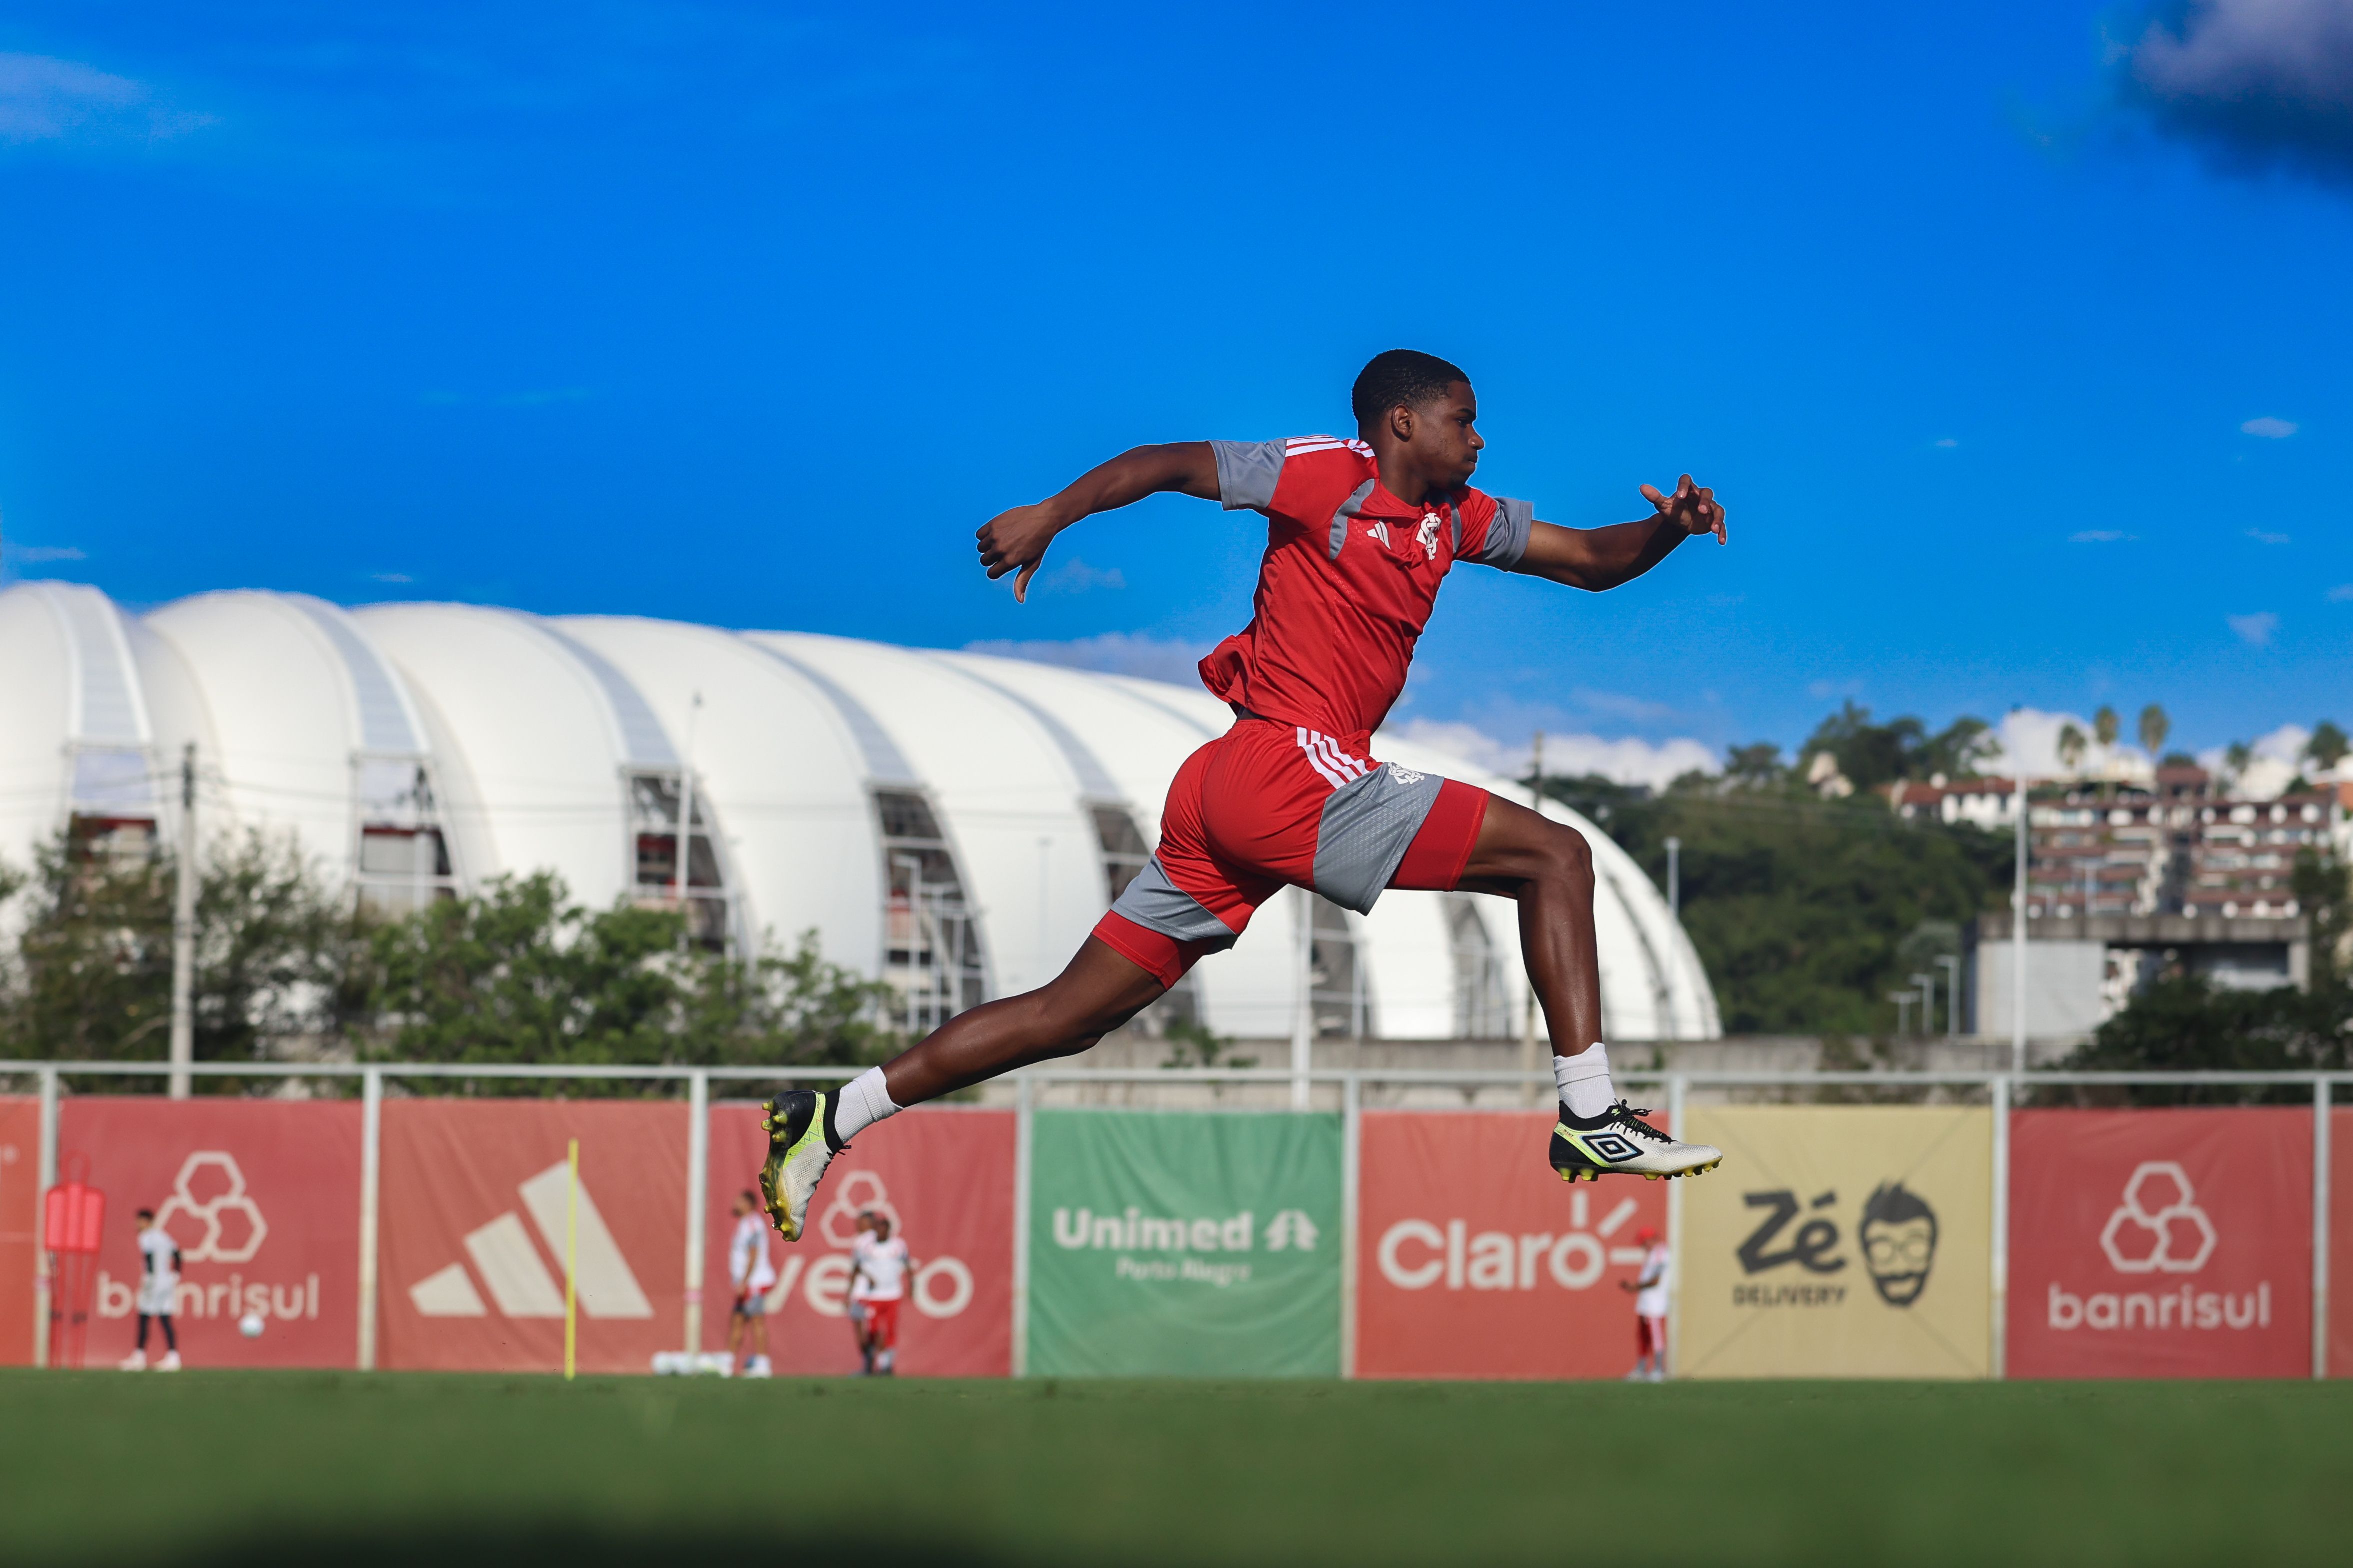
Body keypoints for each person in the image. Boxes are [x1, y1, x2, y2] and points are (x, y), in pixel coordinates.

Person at [759, 349, 1726, 1241]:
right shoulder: (1323, 474)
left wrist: (1668, 531)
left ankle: (833, 1115)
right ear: (1402, 423)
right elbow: (1167, 463)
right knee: (1557, 855)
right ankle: (1590, 1109)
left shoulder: (1455, 516)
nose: (1479, 439)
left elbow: (1590, 561)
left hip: (1236, 794)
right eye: (1464, 419)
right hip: (1287, 770)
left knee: (1069, 1014)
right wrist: (1052, 513)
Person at [847, 1214, 912, 1376]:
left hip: (891, 1294)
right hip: (874, 1295)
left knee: (890, 1329)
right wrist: (868, 1278)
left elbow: (907, 1264)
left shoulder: (898, 1245)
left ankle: (885, 1364)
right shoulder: (868, 1246)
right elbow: (858, 1266)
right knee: (873, 1330)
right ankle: (872, 1365)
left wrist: (913, 1285)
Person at [120, 1207, 182, 1372]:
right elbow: (177, 1254)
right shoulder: (163, 1236)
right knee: (165, 1318)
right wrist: (176, 1274)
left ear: (147, 1221)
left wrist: (149, 1277)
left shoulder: (146, 1237)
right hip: (167, 1281)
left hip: (154, 1282)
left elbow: (150, 1256)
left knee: (144, 1317)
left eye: (140, 1221)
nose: (137, 1224)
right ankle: (174, 1357)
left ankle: (139, 1357)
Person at [725, 1190, 776, 1377]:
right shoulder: (745, 1223)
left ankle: (763, 1364)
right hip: (747, 1282)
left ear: (749, 1204)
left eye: (739, 1201)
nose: (735, 1204)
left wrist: (745, 1282)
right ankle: (728, 1363)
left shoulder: (753, 1224)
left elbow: (754, 1254)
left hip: (755, 1282)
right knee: (737, 1320)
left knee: (757, 1321)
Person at [1620, 1225, 1670, 1381]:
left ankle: (1659, 1369)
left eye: (1644, 1242)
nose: (1642, 1246)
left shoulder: (1661, 1253)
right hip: (1646, 1303)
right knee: (1643, 1337)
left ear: (1651, 1240)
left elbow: (1656, 1280)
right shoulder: (1653, 1254)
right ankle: (1642, 1369)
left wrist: (1635, 1287)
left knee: (1656, 1337)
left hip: (1656, 1304)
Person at [844, 1210, 878, 1373]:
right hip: (864, 1290)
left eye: (862, 1221)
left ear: (871, 1223)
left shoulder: (869, 1240)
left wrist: (849, 1291)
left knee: (867, 1328)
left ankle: (872, 1363)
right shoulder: (862, 1239)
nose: (858, 1224)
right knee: (864, 1327)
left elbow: (859, 1267)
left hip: (867, 1291)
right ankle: (870, 1363)